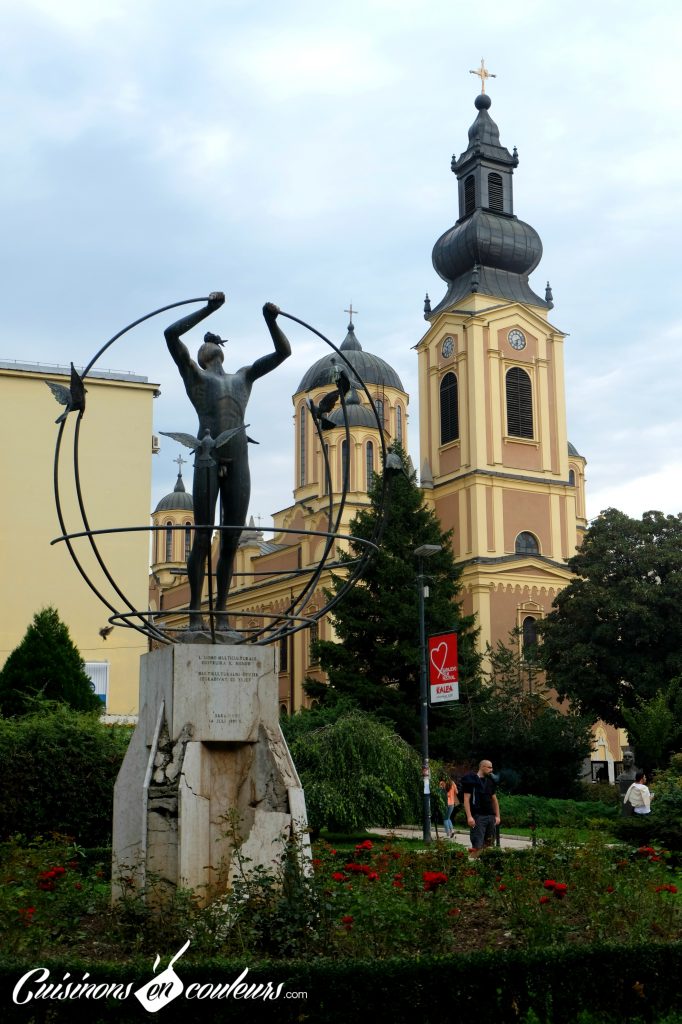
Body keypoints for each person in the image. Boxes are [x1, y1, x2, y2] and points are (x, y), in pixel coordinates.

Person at [164, 292, 291, 631]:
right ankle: (194, 613)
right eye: (205, 344)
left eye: (212, 342)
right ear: (204, 356)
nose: (209, 344)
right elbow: (170, 335)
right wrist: (208, 309)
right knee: (204, 537)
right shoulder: (196, 377)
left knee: (232, 539)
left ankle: (221, 613)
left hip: (239, 461)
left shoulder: (244, 377)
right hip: (207, 459)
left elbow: (283, 352)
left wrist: (270, 320)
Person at [461, 759, 500, 858]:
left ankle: (484, 867)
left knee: (488, 845)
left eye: (492, 767)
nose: (492, 769)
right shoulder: (471, 780)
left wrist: (497, 816)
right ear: (482, 767)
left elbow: (494, 800)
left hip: (490, 817)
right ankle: (471, 866)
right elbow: (466, 799)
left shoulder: (490, 781)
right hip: (478, 817)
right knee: (477, 846)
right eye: (489, 767)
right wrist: (469, 817)